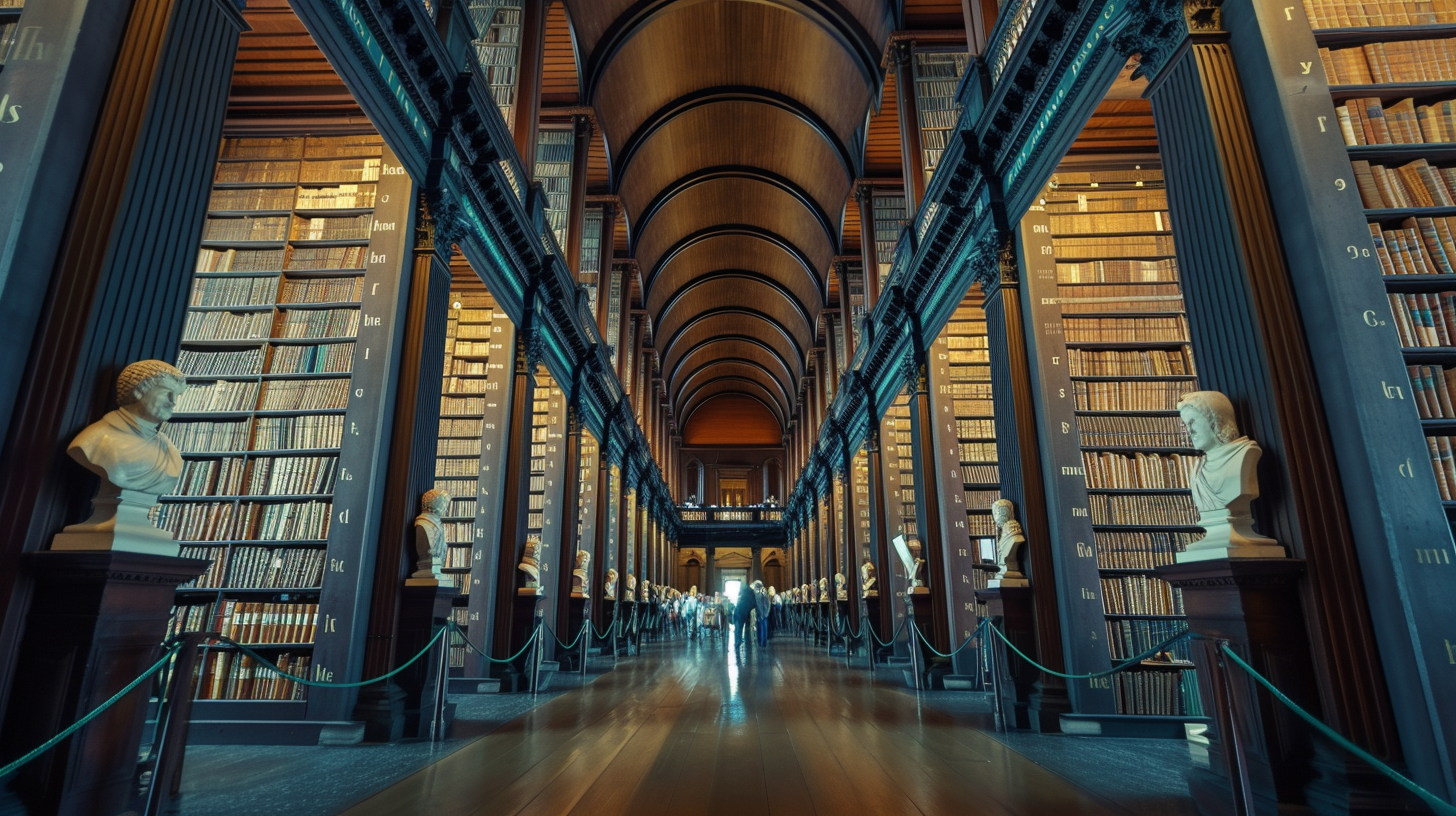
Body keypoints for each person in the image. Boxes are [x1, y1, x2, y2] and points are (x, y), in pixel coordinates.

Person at [734, 582, 756, 650]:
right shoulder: (751, 594)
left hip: (738, 613)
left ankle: (738, 642)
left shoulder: (742, 594)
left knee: (738, 629)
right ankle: (747, 642)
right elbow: (753, 603)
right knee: (747, 629)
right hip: (746, 613)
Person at [753, 581, 770, 646]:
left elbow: (758, 605)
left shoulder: (756, 595)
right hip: (764, 614)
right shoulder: (765, 595)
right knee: (764, 628)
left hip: (759, 613)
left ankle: (760, 642)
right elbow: (768, 604)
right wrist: (766, 613)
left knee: (760, 629)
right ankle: (764, 642)